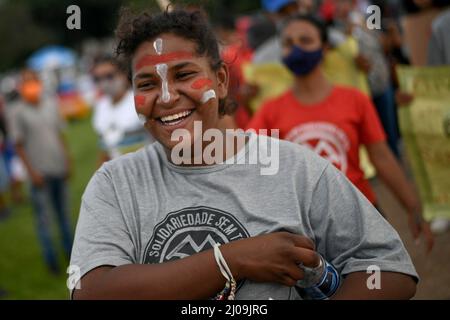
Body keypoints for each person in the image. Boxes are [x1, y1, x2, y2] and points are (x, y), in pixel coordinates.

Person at [70, 9, 418, 300]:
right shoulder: (115, 184)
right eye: (146, 84)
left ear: (221, 81)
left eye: (184, 74)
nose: (166, 96)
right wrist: (233, 260)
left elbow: (389, 268)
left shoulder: (296, 168)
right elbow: (88, 290)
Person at [247, 14, 434, 253]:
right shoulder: (269, 111)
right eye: (288, 43)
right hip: (305, 227)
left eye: (305, 40)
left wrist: (412, 207)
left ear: (324, 48)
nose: (296, 49)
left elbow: (382, 156)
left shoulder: (355, 100)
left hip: (361, 212)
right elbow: (250, 164)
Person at [9, 69, 73, 274]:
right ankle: (51, 261)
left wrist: (66, 160)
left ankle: (72, 254)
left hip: (58, 168)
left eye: (32, 81)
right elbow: (18, 146)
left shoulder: (51, 104)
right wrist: (31, 172)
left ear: (39, 82)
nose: (30, 85)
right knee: (44, 221)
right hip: (39, 175)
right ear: (20, 86)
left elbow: (59, 134)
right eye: (25, 82)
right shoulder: (17, 112)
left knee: (64, 215)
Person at [91, 56, 153, 165]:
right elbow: (104, 149)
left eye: (109, 76)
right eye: (98, 78)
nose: (104, 82)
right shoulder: (100, 106)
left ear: (123, 75)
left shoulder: (139, 101)